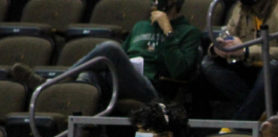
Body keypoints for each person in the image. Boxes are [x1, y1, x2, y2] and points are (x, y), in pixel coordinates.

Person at [10, 0, 201, 102]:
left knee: (109, 48)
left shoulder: (188, 32)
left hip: (153, 88)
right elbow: (124, 58)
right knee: (89, 76)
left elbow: (179, 71)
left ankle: (53, 83)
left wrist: (168, 31)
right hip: (122, 82)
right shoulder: (141, 26)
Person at [200, 0, 278, 122]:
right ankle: (258, 111)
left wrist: (245, 51)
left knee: (273, 68)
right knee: (209, 63)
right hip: (256, 72)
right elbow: (228, 35)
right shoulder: (240, 8)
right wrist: (218, 48)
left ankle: (240, 125)